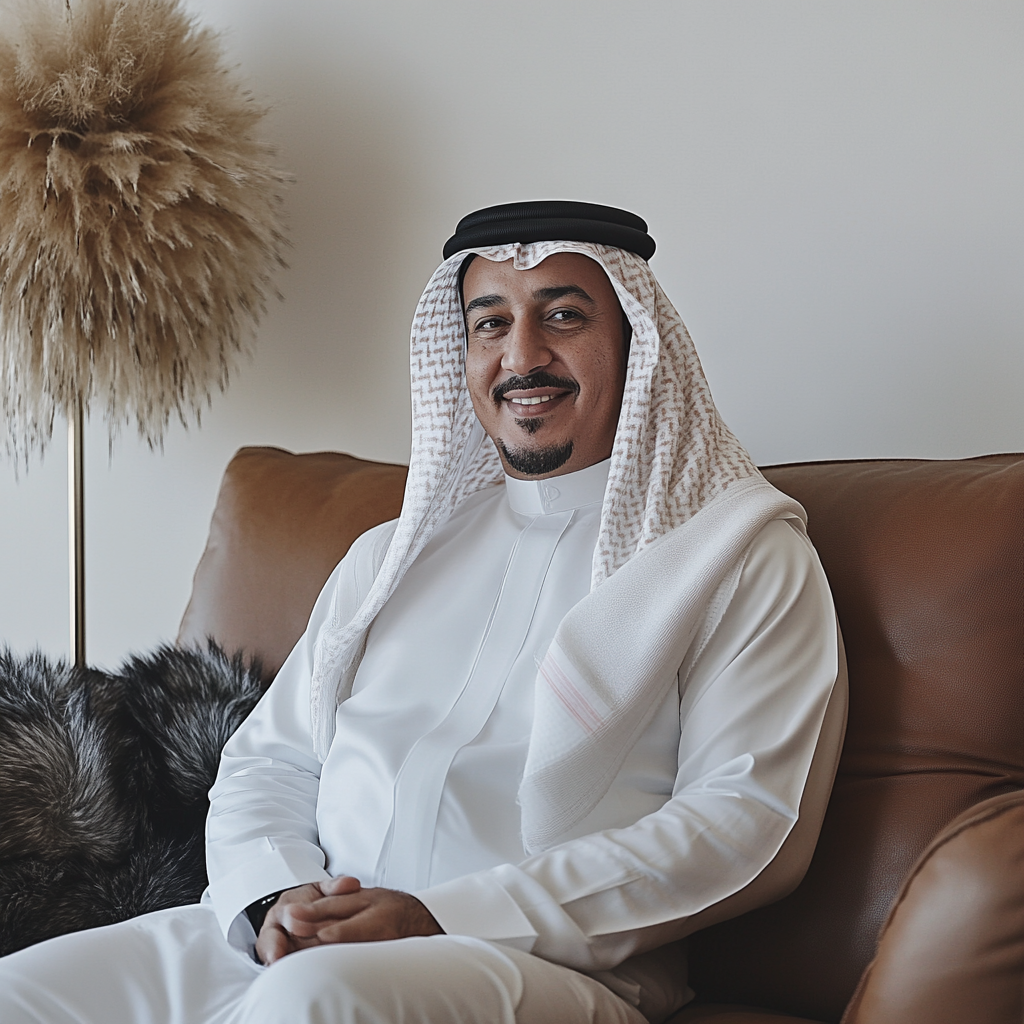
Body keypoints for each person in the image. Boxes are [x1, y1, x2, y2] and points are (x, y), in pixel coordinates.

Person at [0, 201, 846, 1024]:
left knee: (314, 1004)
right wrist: (274, 897)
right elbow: (271, 762)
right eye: (489, 322)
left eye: (562, 315)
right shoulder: (391, 556)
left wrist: (444, 917)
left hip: (530, 964)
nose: (523, 355)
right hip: (292, 943)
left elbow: (745, 825)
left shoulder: (740, 558)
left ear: (634, 341)